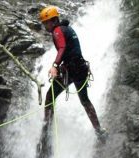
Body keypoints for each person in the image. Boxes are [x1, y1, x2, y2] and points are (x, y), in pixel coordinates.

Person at [38, 5, 106, 139]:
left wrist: (54, 65)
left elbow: (62, 48)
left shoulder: (57, 31)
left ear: (53, 21)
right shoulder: (67, 29)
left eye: (46, 23)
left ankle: (47, 129)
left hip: (71, 70)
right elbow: (69, 51)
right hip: (79, 68)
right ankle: (99, 131)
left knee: (49, 96)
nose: (45, 26)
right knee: (85, 101)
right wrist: (59, 66)